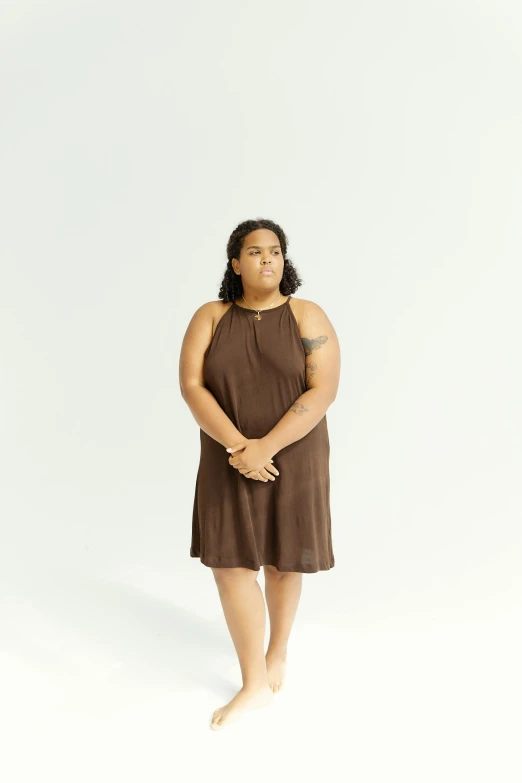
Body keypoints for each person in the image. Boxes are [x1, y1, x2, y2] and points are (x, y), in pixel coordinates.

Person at [179, 218, 341, 730]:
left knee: (285, 559)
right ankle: (253, 683)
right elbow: (192, 385)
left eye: (275, 251)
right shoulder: (210, 316)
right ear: (235, 263)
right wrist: (237, 446)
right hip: (227, 458)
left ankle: (277, 654)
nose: (266, 259)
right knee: (230, 566)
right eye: (254, 252)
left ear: (284, 260)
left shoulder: (306, 316)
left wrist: (265, 447)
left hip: (294, 455)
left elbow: (322, 391)